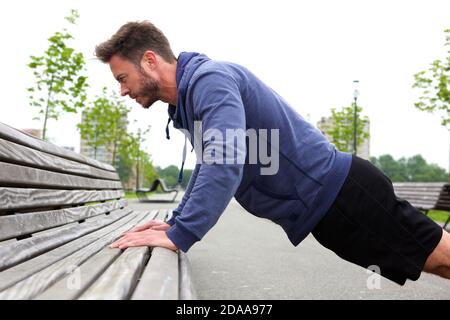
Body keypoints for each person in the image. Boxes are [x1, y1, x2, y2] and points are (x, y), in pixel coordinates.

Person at [97, 21, 450, 285]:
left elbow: (225, 160)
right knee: (432, 260)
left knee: (438, 257)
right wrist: (175, 222)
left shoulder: (210, 81)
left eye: (122, 78)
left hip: (342, 195)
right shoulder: (192, 100)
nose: (123, 91)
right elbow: (210, 164)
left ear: (149, 60)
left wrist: (181, 233)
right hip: (328, 207)